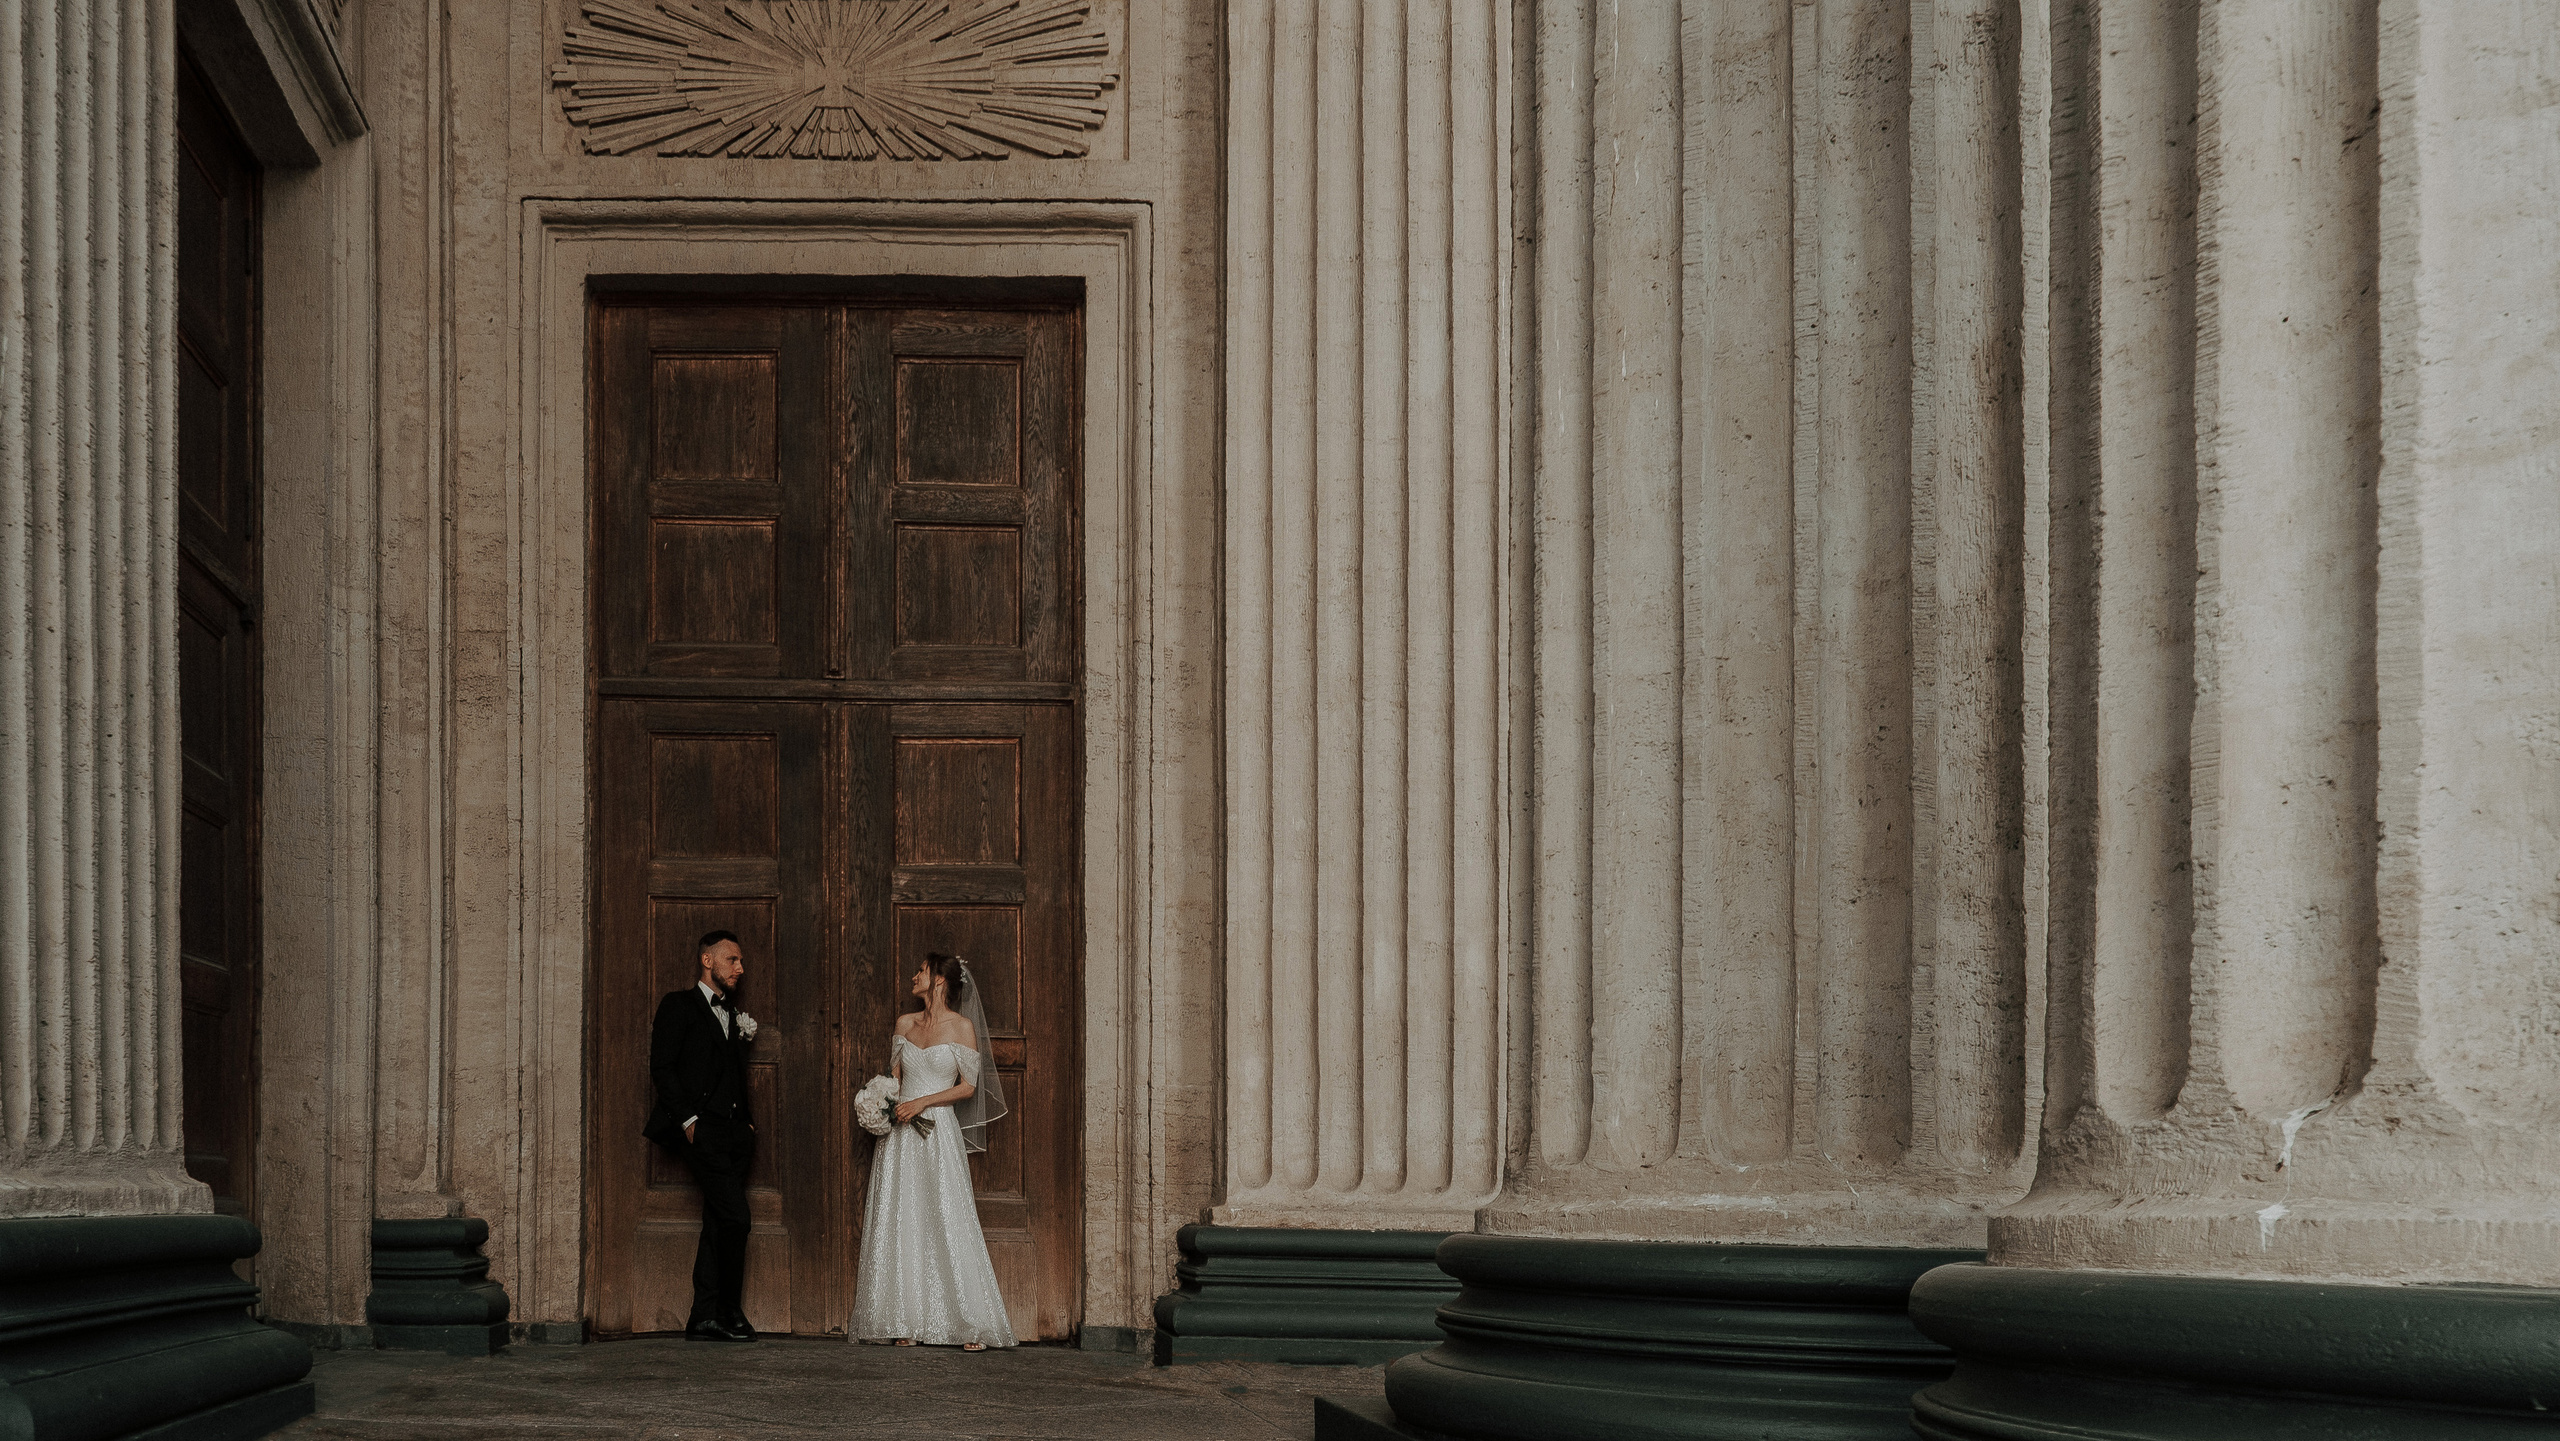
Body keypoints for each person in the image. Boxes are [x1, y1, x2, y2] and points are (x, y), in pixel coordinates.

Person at [849, 951, 1017, 1350]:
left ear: (940, 979)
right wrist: (881, 1104)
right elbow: (895, 1078)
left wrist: (922, 1103)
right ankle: (902, 1319)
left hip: (936, 1130)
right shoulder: (905, 1024)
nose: (914, 976)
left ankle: (969, 1323)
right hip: (901, 1133)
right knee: (901, 1214)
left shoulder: (962, 1028)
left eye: (921, 971)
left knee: (945, 1211)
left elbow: (968, 1087)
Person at [644, 929, 758, 1342]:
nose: (740, 968)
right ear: (707, 961)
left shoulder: (730, 1013)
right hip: (702, 1131)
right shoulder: (678, 1005)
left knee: (717, 1220)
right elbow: (663, 1067)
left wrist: (747, 1124)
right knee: (737, 1217)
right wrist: (689, 1121)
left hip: (734, 1135)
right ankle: (728, 1310)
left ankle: (703, 1317)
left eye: (741, 961)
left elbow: (733, 1075)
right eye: (733, 960)